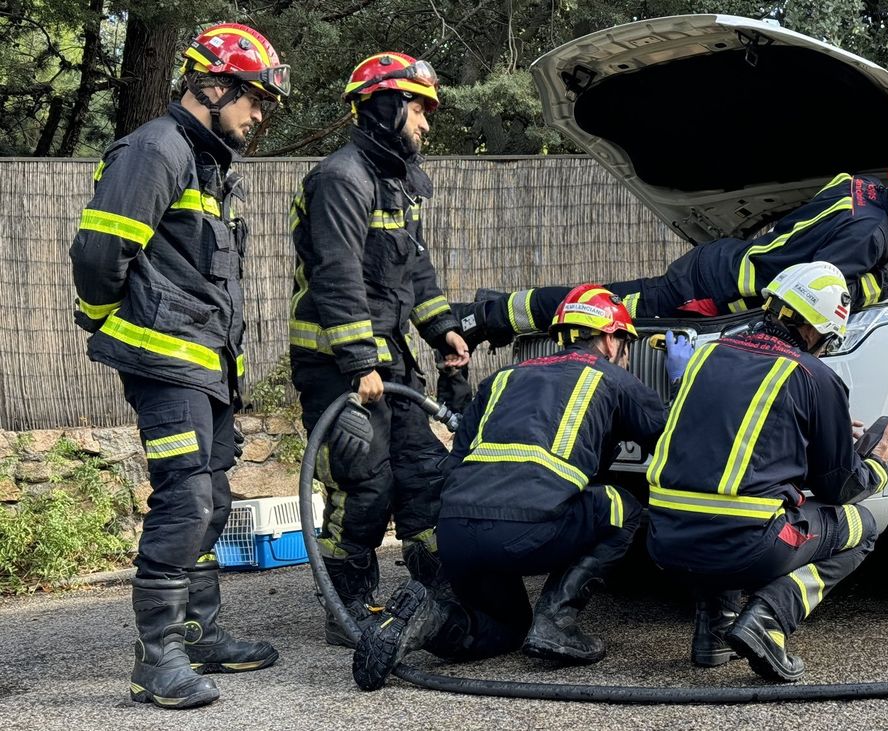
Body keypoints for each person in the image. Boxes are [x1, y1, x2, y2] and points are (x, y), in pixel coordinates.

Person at [68, 23, 289, 709]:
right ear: (213, 84)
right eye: (253, 98)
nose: (258, 115)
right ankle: (155, 655)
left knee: (211, 499)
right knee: (185, 496)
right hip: (164, 363)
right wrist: (111, 321)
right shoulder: (155, 149)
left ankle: (198, 631)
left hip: (205, 367)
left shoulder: (208, 163)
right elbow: (99, 257)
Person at [351, 285, 669, 690]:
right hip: (526, 532)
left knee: (503, 629)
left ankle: (427, 621)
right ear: (610, 338)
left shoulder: (502, 378)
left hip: (456, 533)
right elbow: (671, 438)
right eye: (626, 344)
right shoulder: (611, 377)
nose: (625, 354)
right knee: (623, 506)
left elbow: (457, 459)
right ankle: (556, 621)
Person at [287, 52, 469, 648]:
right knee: (362, 479)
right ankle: (348, 602)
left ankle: (439, 590)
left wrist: (441, 327)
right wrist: (359, 362)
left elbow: (413, 268)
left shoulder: (394, 184)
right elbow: (338, 275)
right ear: (386, 105)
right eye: (419, 108)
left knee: (421, 469)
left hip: (388, 358)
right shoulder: (342, 178)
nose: (425, 123)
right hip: (337, 362)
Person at [645, 261, 888, 682]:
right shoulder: (813, 375)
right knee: (862, 526)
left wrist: (803, 431)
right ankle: (770, 619)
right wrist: (876, 464)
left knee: (724, 501)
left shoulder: (704, 356)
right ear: (815, 329)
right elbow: (839, 486)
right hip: (749, 546)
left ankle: (715, 633)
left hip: (665, 541)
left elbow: (726, 436)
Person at [454, 151, 888, 350]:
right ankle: (486, 315)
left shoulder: (862, 190)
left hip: (721, 263)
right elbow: (820, 300)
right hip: (709, 292)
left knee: (608, 302)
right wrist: (887, 280)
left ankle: (493, 310)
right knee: (600, 311)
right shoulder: (873, 237)